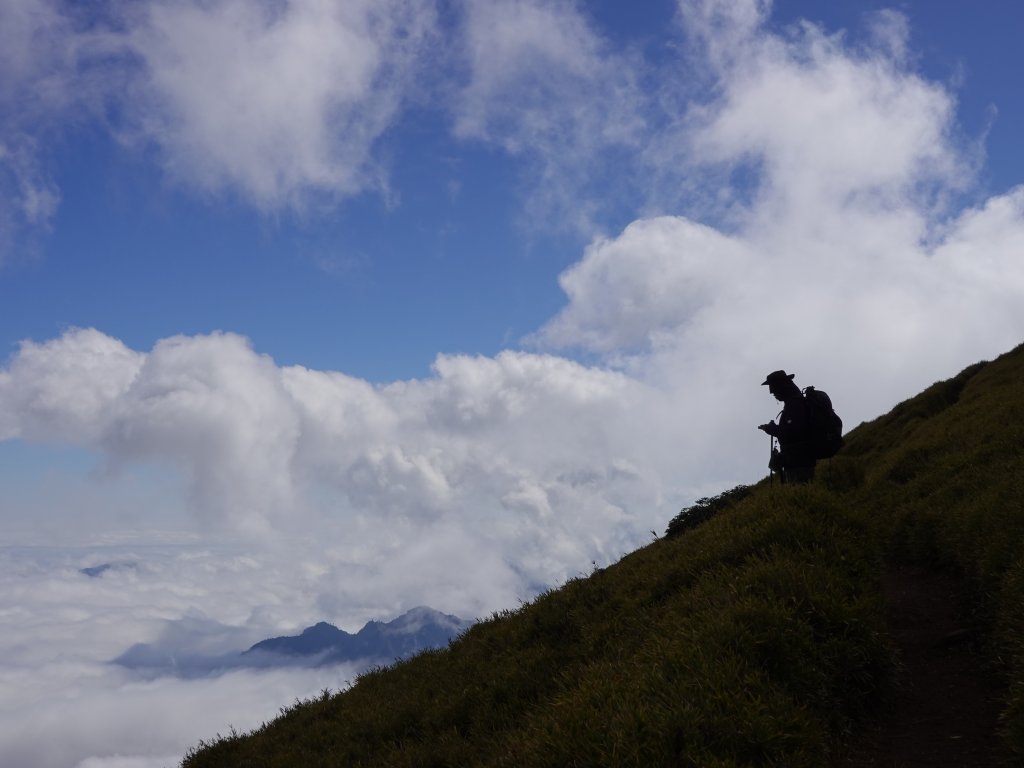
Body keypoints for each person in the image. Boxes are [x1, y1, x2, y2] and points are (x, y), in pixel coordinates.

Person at [758, 370, 815, 484]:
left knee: (800, 494)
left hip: (799, 461)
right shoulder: (795, 402)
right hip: (799, 460)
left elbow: (793, 432)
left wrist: (771, 429)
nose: (771, 392)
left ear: (781, 386)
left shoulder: (794, 405)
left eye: (773, 388)